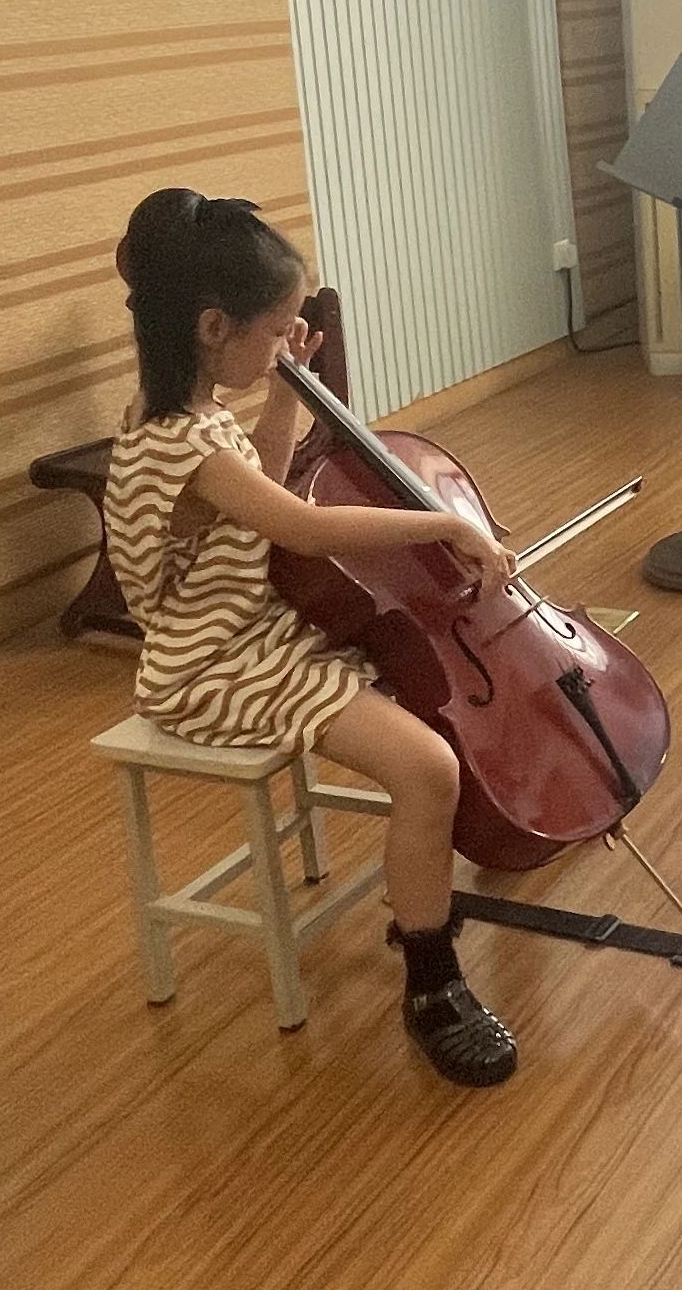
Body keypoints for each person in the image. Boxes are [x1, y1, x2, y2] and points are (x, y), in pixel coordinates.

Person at [102, 189, 525, 1089]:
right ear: (214, 327)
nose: (284, 345)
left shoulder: (181, 412)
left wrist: (283, 387)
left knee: (423, 698)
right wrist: (447, 525)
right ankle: (431, 983)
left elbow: (258, 479)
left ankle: (451, 855)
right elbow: (302, 526)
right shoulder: (177, 441)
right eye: (276, 330)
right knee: (427, 767)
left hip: (256, 634)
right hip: (210, 665)